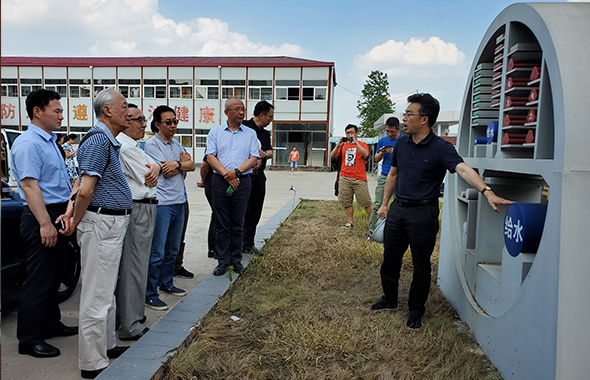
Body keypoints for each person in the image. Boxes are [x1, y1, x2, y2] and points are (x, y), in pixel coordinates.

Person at [372, 93, 512, 329]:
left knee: (421, 265)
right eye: (404, 113)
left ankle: (416, 310)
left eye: (409, 114)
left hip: (423, 214)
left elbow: (463, 170)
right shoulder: (401, 145)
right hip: (398, 210)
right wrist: (385, 204)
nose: (404, 118)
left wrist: (487, 191)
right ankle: (389, 299)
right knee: (390, 260)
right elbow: (393, 174)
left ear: (424, 119)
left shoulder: (441, 148)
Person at [62, 88, 133, 379]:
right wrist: (75, 220)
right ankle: (92, 363)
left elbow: (78, 185)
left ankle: (107, 345)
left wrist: (69, 213)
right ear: (108, 111)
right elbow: (86, 190)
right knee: (96, 295)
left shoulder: (104, 140)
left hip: (111, 224)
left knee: (107, 291)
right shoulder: (98, 140)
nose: (128, 112)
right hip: (101, 225)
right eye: (124, 106)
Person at [11, 89, 78, 359]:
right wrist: (45, 224)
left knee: (54, 275)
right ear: (37, 112)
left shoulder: (50, 141)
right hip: (42, 215)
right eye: (57, 110)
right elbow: (29, 185)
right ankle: (28, 339)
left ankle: (50, 324)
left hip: (58, 212)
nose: (61, 115)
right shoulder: (29, 143)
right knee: (38, 279)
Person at [115, 104, 161, 341]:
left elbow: (155, 167)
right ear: (125, 121)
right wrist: (154, 168)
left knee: (136, 266)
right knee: (133, 267)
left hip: (144, 208)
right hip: (138, 208)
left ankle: (131, 315)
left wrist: (156, 166)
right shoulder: (124, 147)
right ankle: (130, 324)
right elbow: (149, 179)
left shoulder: (134, 146)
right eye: (139, 119)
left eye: (145, 119)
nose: (144, 124)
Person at [144, 105, 195, 311]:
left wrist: (178, 165)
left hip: (179, 202)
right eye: (169, 122)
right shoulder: (152, 145)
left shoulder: (176, 144)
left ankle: (167, 283)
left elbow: (191, 166)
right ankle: (150, 292)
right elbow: (163, 171)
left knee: (173, 248)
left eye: (175, 121)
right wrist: (179, 165)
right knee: (157, 251)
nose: (173, 125)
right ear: (157, 125)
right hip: (163, 204)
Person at [205, 97, 259, 276]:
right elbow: (210, 156)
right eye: (237, 109)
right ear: (226, 112)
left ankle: (236, 260)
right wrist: (226, 175)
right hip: (220, 181)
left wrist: (236, 173)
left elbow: (253, 158)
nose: (241, 112)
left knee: (238, 222)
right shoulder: (215, 132)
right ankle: (222, 261)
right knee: (222, 223)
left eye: (243, 108)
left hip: (242, 181)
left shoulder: (250, 133)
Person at [241, 100, 274, 256]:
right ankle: (236, 245)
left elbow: (270, 152)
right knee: (240, 211)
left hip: (259, 176)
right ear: (262, 115)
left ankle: (248, 244)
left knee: (255, 211)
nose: (271, 120)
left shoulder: (265, 133)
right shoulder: (244, 127)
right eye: (270, 116)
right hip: (243, 176)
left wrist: (264, 154)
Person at [329, 124, 373, 228]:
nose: (349, 134)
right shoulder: (343, 145)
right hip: (345, 176)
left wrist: (356, 143)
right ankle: (350, 222)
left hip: (359, 177)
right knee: (346, 201)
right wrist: (338, 145)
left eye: (352, 132)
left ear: (356, 133)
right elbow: (332, 155)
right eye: (347, 133)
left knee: (366, 201)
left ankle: (373, 222)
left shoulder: (362, 144)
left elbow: (366, 154)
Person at [368, 117, 400, 230]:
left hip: (400, 177)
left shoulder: (404, 141)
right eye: (387, 131)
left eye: (392, 131)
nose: (389, 134)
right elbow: (376, 159)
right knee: (378, 204)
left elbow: (408, 159)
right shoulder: (383, 141)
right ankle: (372, 230)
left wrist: (395, 153)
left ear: (398, 129)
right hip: (385, 175)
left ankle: (395, 229)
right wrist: (381, 152)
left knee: (398, 205)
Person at [197, 155, 217, 259]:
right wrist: (204, 181)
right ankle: (213, 248)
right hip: (212, 183)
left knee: (217, 214)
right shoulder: (213, 144)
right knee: (217, 214)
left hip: (218, 183)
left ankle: (214, 248)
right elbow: (204, 166)